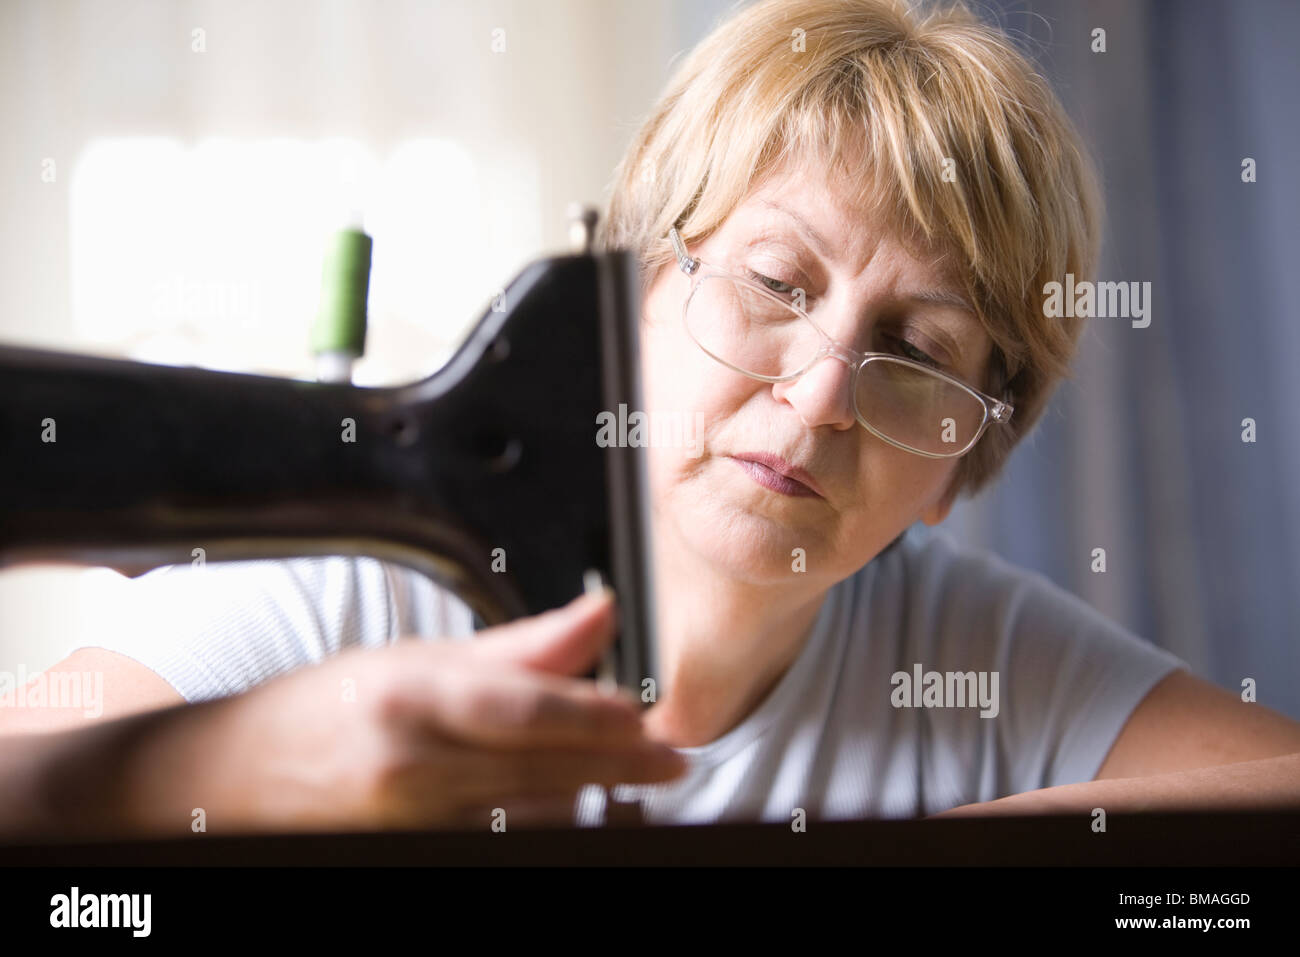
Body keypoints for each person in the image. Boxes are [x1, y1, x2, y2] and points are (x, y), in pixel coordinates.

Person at [4, 0, 1300, 839]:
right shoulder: (355, 589)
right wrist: (272, 759)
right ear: (628, 300)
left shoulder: (960, 641)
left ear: (966, 466)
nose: (823, 391)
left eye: (919, 352)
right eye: (775, 282)